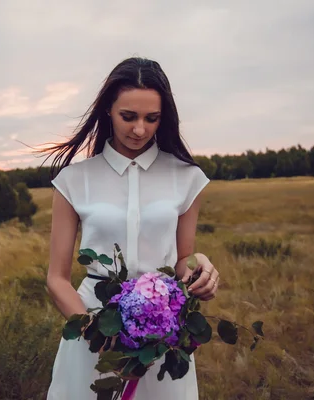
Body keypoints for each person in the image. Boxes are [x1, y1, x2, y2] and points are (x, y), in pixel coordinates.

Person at [42, 57, 220, 400]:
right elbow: (56, 278)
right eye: (129, 116)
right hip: (94, 329)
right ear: (108, 109)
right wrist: (96, 333)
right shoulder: (74, 181)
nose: (140, 129)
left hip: (162, 334)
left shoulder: (185, 177)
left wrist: (201, 267)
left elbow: (184, 258)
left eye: (151, 119)